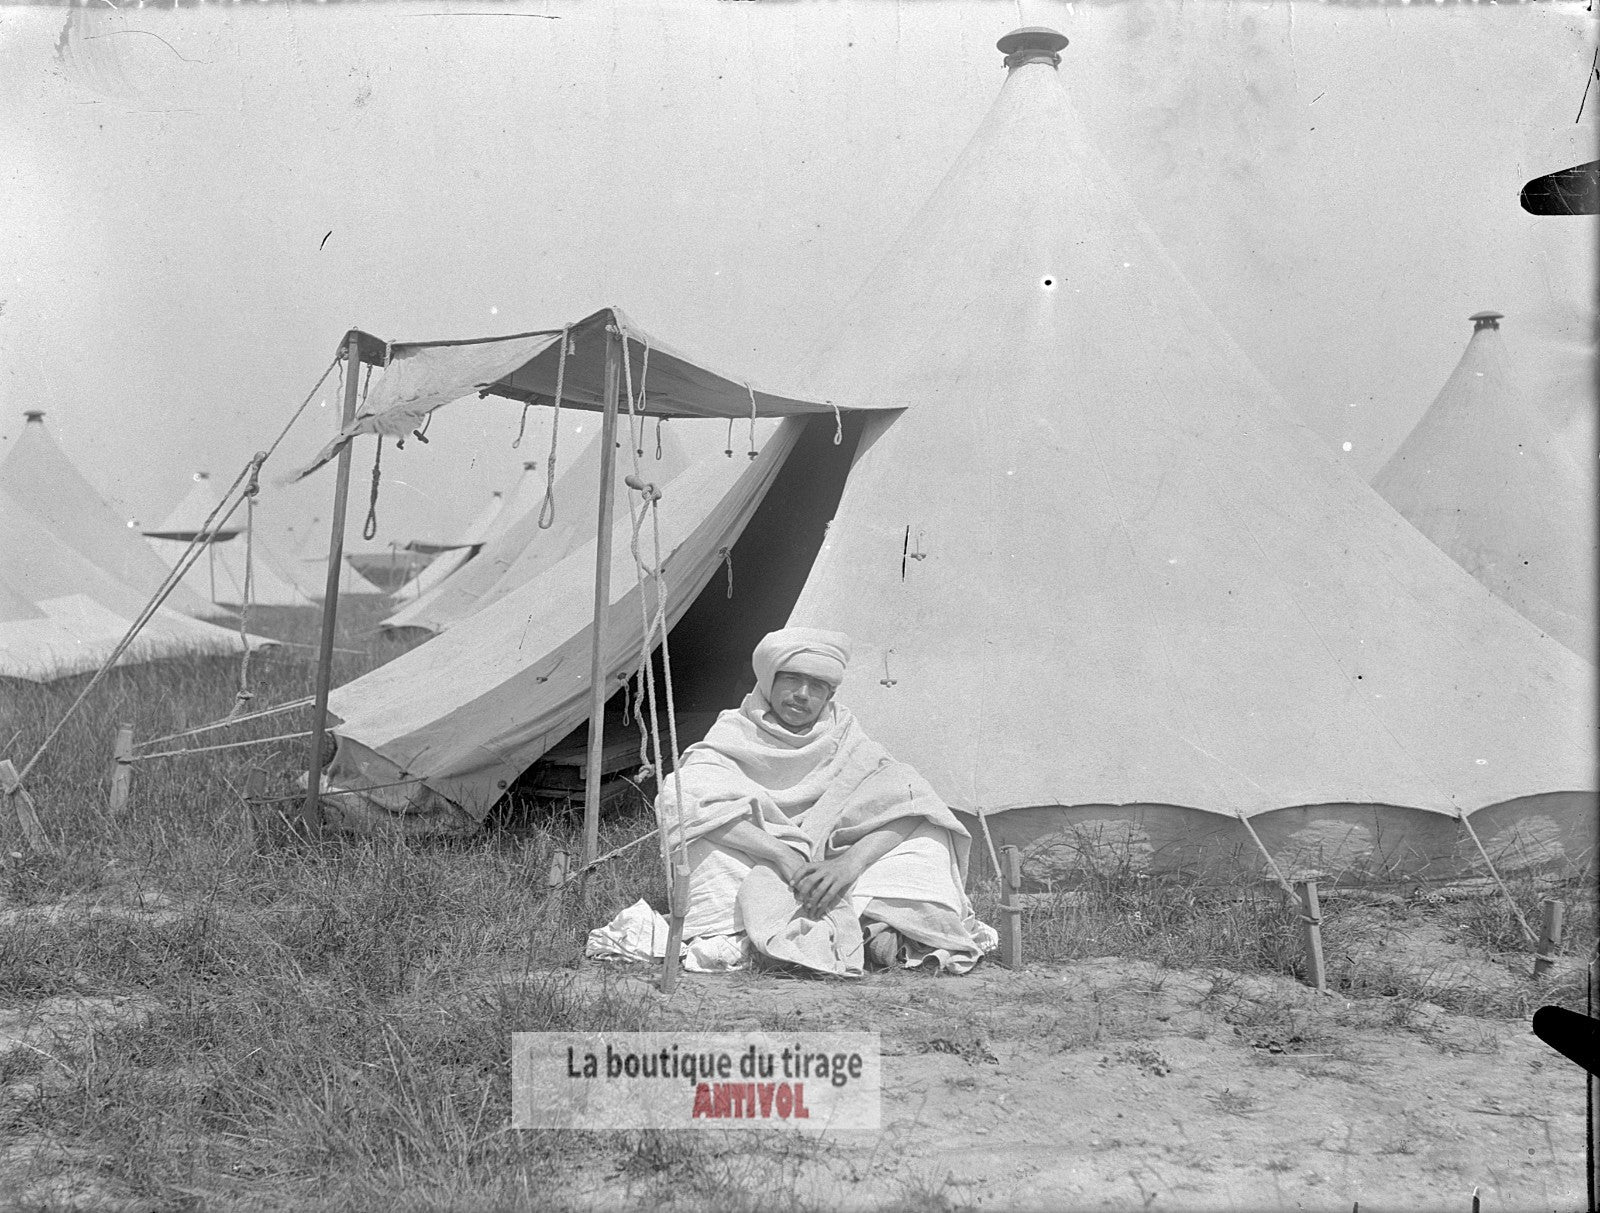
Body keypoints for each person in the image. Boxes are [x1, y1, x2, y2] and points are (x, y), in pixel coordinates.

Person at [658, 627, 996, 976]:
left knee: (929, 834)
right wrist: (780, 853)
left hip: (835, 862)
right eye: (792, 679)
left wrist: (849, 864)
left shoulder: (845, 734)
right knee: (697, 836)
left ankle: (872, 925)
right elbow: (682, 799)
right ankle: (745, 932)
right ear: (768, 681)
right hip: (762, 858)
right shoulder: (734, 732)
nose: (802, 695)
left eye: (817, 686)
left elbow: (913, 799)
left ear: (830, 693)